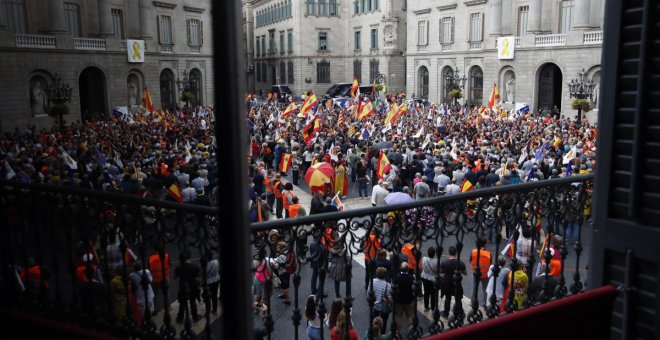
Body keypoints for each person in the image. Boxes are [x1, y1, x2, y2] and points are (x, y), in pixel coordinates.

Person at [439, 246, 467, 318]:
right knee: (458, 299)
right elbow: (465, 273)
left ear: (449, 253)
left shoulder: (444, 263)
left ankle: (446, 313)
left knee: (447, 299)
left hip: (447, 283)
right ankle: (460, 313)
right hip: (457, 283)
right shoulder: (460, 263)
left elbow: (440, 272)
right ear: (456, 253)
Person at [175, 250, 201, 323]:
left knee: (182, 304)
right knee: (193, 303)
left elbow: (175, 277)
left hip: (183, 287)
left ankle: (180, 318)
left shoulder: (179, 267)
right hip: (193, 287)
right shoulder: (195, 266)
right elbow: (199, 275)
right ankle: (195, 317)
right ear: (189, 257)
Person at [469, 239, 492, 308]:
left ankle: (473, 302)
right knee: (485, 289)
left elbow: (470, 261)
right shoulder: (488, 254)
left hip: (475, 273)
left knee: (474, 288)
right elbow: (490, 263)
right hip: (485, 274)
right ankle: (485, 304)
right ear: (484, 244)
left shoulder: (473, 252)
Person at [394, 262, 415, 331]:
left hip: (399, 301)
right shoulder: (411, 277)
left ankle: (397, 333)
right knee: (409, 316)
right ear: (407, 269)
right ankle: (411, 332)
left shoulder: (397, 277)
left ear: (400, 268)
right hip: (409, 300)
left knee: (398, 317)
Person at [420, 247, 439, 312]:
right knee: (433, 294)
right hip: (432, 279)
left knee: (426, 292)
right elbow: (437, 271)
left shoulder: (424, 259)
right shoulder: (436, 261)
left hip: (424, 277)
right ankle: (433, 308)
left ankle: (426, 306)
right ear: (434, 254)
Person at [204, 250, 221, 315]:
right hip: (216, 280)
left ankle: (208, 311)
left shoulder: (205, 266)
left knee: (208, 297)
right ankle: (215, 309)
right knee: (214, 295)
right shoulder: (216, 261)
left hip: (209, 282)